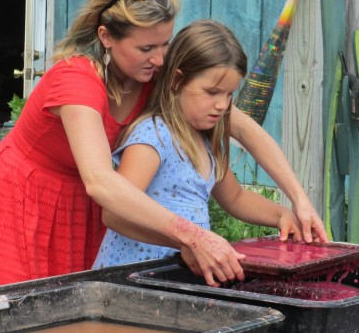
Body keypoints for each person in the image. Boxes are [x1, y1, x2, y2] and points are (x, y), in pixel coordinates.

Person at [0, 0, 326, 294]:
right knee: (7, 327)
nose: (159, 59)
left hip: (86, 209)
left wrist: (297, 201)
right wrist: (189, 234)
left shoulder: (151, 77)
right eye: (146, 48)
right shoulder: (76, 80)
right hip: (22, 203)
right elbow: (101, 181)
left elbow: (244, 129)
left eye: (165, 44)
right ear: (105, 36)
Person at [93, 20, 305, 278]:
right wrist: (185, 242)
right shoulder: (153, 136)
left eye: (229, 95)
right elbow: (115, 215)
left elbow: (235, 197)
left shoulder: (206, 140)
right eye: (212, 92)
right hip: (131, 278)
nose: (221, 105)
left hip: (176, 277)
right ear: (176, 81)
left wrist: (282, 214)